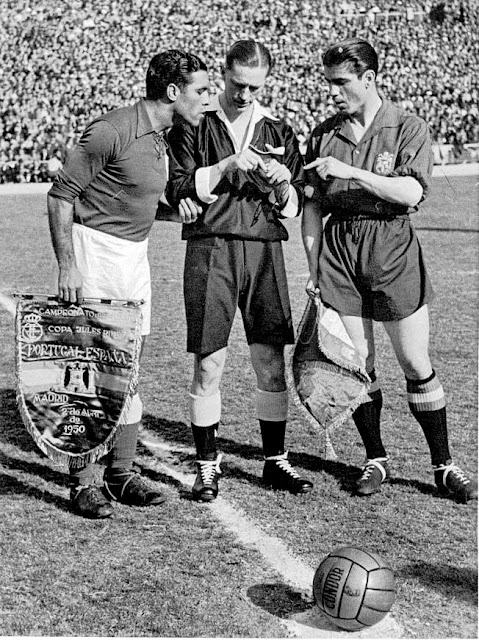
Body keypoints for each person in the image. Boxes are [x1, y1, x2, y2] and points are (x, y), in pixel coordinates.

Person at [302, 38, 477, 504]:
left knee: (416, 363)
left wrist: (353, 171)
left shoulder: (406, 126)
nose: (333, 92)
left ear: (369, 78)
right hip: (339, 253)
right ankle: (375, 457)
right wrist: (314, 265)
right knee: (359, 364)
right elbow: (313, 207)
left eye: (341, 83)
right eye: (329, 83)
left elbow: (410, 194)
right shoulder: (323, 133)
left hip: (391, 245)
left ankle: (443, 465)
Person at [47, 50, 211, 518]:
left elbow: (130, 198)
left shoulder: (162, 136)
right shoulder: (112, 129)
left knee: (129, 369)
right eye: (201, 91)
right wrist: (68, 266)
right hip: (94, 255)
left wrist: (168, 210)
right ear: (173, 92)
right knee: (94, 373)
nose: (208, 98)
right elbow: (60, 198)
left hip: (132, 257)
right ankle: (84, 483)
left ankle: (120, 474)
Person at [166, 39, 313, 502]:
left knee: (270, 361)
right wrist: (228, 164)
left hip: (264, 250)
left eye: (255, 86)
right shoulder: (196, 123)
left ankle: (275, 461)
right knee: (209, 361)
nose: (245, 94)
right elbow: (179, 185)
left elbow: (291, 207)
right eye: (237, 84)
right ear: (224, 75)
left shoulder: (279, 130)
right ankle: (208, 465)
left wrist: (283, 186)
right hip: (211, 247)